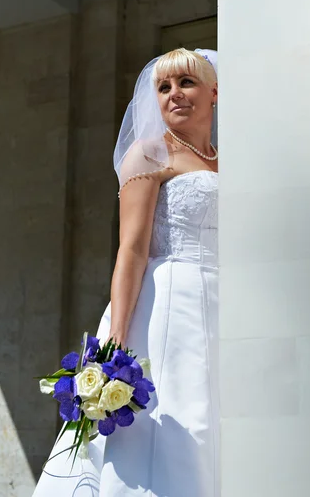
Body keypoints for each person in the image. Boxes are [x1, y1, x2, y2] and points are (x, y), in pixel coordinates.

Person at [32, 47, 219, 496]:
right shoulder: (149, 154)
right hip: (172, 305)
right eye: (164, 87)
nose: (175, 94)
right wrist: (116, 340)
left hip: (226, 302)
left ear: (214, 93)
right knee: (185, 426)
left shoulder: (230, 162)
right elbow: (132, 251)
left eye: (186, 83)